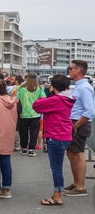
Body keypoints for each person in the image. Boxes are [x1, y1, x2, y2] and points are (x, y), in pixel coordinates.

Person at [32, 74, 74, 205]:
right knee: (58, 167)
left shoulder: (56, 100)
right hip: (65, 134)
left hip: (55, 135)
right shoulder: (68, 98)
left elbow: (36, 105)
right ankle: (57, 194)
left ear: (53, 86)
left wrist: (48, 95)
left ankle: (57, 196)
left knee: (56, 168)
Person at [64, 60, 94, 197]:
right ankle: (76, 183)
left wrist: (77, 124)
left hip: (79, 123)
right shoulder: (78, 86)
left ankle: (81, 186)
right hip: (74, 122)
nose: (70, 70)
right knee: (72, 153)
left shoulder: (84, 87)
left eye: (72, 68)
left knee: (78, 153)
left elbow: (89, 110)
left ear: (78, 71)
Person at [16, 72, 46, 156]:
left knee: (23, 131)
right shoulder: (39, 88)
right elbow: (44, 99)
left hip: (24, 113)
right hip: (35, 113)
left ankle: (24, 148)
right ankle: (32, 149)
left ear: (27, 78)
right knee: (34, 132)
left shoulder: (22, 88)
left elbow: (16, 99)